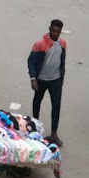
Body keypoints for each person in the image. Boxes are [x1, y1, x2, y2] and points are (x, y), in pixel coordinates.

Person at [28, 19, 66, 147]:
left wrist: (62, 76)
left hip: (55, 80)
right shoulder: (40, 44)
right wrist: (33, 78)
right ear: (49, 29)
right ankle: (35, 126)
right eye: (53, 31)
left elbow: (62, 60)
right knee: (37, 101)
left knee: (56, 105)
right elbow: (31, 61)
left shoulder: (63, 44)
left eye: (58, 32)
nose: (55, 34)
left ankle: (54, 133)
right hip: (41, 79)